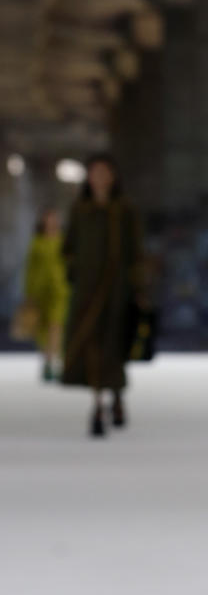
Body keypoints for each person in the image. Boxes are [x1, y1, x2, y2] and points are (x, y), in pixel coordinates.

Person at [61, 154, 143, 437]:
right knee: (92, 344)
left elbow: (135, 251)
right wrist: (75, 271)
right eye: (95, 172)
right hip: (86, 289)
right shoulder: (80, 210)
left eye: (105, 172)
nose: (100, 177)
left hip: (118, 290)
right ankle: (97, 403)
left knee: (114, 344)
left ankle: (117, 396)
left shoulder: (124, 210)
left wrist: (138, 285)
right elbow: (68, 246)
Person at [23, 209, 69, 381]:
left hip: (60, 289)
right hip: (40, 291)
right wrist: (29, 292)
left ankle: (55, 360)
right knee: (43, 328)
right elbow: (30, 268)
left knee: (56, 325)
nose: (51, 221)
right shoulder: (37, 242)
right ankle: (48, 361)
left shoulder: (63, 240)